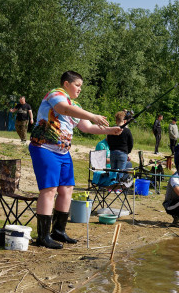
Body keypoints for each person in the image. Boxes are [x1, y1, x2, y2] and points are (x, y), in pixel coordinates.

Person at [29, 70, 121, 249]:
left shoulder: (75, 105)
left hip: (63, 152)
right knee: (49, 190)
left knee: (67, 189)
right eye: (77, 85)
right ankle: (43, 236)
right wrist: (92, 115)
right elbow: (62, 109)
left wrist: (110, 131)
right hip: (45, 148)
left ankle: (59, 231)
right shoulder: (56, 94)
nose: (80, 89)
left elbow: (86, 127)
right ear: (66, 84)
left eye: (81, 87)